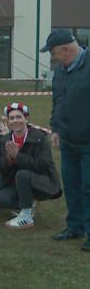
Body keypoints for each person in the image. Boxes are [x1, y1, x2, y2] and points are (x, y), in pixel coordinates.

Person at [43, 30, 90, 250]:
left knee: (89, 187)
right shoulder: (60, 72)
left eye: (53, 52)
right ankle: (75, 227)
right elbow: (57, 102)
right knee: (71, 186)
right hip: (68, 141)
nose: (52, 57)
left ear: (65, 49)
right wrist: (56, 128)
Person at [0, 102, 62, 229]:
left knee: (22, 174)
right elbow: (1, 169)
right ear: (8, 121)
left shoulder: (39, 137)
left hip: (41, 181)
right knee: (1, 200)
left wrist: (18, 156)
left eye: (19, 117)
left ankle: (26, 216)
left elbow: (42, 165)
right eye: (12, 118)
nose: (15, 120)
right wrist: (9, 159)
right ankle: (28, 203)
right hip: (17, 182)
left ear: (26, 118)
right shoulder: (5, 139)